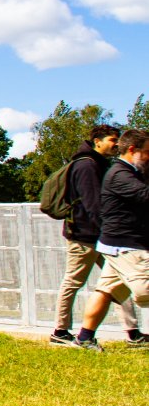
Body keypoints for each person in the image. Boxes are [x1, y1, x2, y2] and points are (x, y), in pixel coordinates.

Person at [50, 125, 142, 346]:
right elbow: (93, 204)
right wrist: (109, 232)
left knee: (117, 281)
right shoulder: (86, 166)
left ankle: (132, 332)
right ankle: (60, 331)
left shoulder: (100, 164)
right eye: (112, 139)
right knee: (73, 282)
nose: (115, 144)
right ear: (97, 141)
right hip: (84, 235)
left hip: (100, 235)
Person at [73, 129, 149, 350]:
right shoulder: (120, 174)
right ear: (133, 150)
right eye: (148, 152)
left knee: (106, 291)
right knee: (144, 290)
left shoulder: (134, 171)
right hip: (127, 245)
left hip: (117, 244)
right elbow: (145, 196)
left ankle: (85, 338)